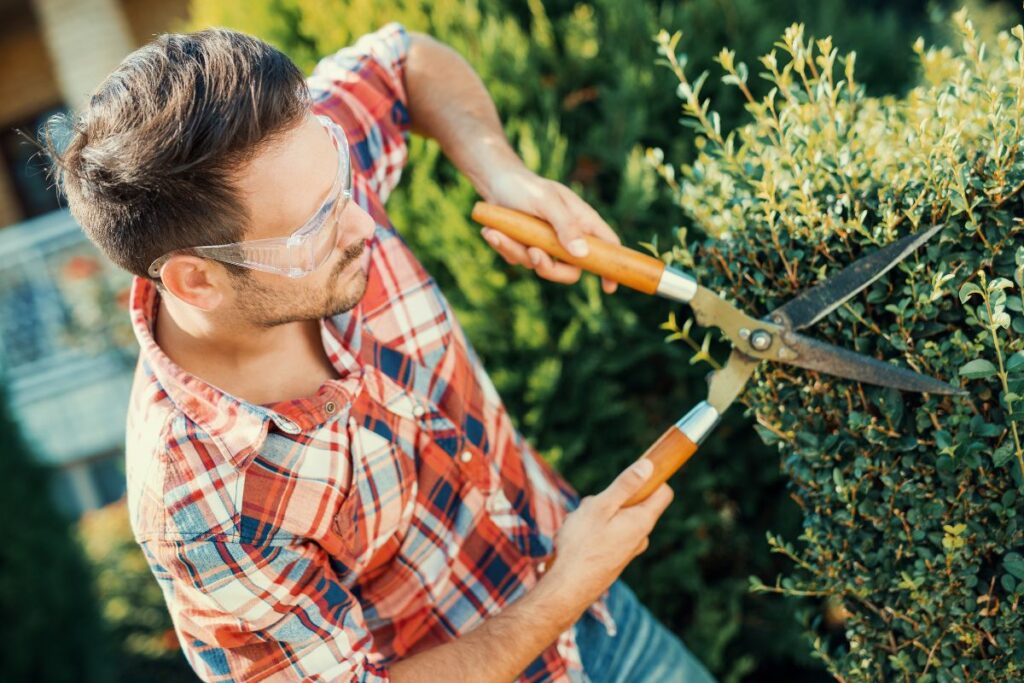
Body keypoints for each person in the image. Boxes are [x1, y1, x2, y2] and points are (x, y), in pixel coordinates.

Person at [44, 22, 716, 683]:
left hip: (606, 621)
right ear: (197, 280)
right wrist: (565, 586)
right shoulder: (201, 512)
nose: (360, 217)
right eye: (317, 224)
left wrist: (503, 173)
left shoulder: (296, 171)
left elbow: (404, 60)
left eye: (339, 167)